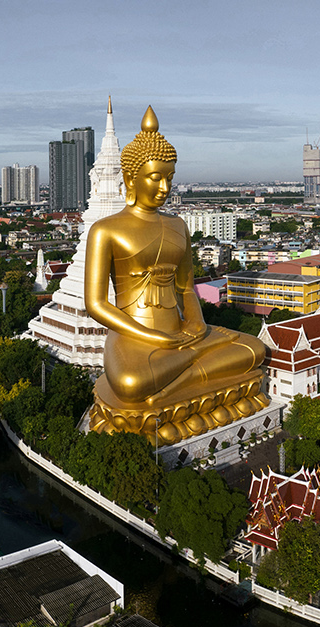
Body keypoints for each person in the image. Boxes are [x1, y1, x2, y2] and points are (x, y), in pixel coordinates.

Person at [85, 106, 267, 444]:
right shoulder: (106, 230)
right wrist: (157, 339)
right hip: (135, 339)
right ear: (131, 178)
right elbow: (96, 305)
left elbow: (186, 290)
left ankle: (178, 378)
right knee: (130, 385)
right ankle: (187, 370)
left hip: (180, 333)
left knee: (254, 349)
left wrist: (196, 325)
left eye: (169, 178)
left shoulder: (178, 225)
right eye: (155, 177)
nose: (164, 187)